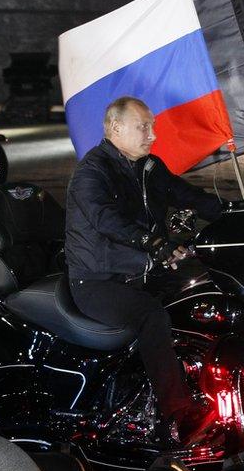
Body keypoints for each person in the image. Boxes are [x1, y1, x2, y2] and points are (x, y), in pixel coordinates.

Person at [64, 96, 224, 447]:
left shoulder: (148, 168)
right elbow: (106, 219)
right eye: (144, 127)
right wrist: (156, 244)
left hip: (142, 271)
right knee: (152, 315)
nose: (152, 134)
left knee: (206, 290)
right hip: (97, 280)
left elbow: (188, 195)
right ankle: (178, 414)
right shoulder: (92, 172)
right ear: (114, 128)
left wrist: (236, 213)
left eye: (152, 126)